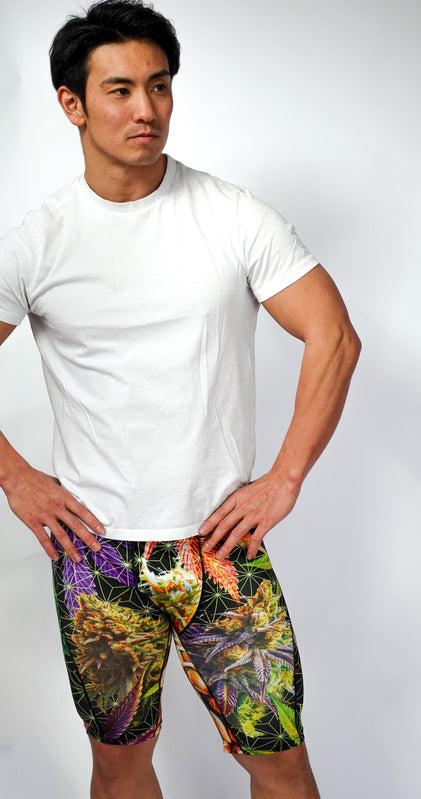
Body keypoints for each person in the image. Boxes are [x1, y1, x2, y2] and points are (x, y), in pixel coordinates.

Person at [0, 1, 360, 797]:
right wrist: (15, 477)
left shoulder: (230, 215)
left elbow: (333, 335)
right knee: (119, 764)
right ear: (71, 104)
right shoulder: (38, 240)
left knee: (281, 762)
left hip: (218, 546)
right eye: (120, 90)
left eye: (159, 86)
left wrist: (285, 478)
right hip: (98, 555)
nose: (147, 109)